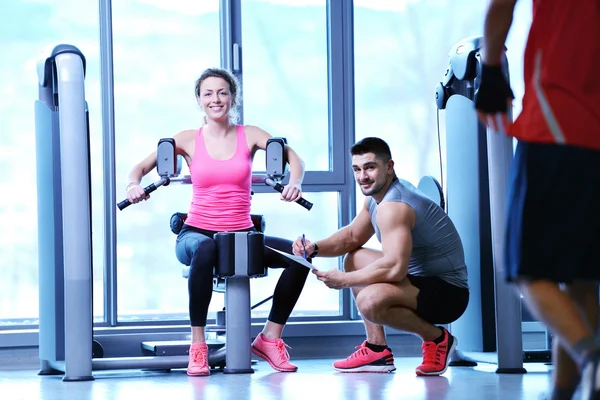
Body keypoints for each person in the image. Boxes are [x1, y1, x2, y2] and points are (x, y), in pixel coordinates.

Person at [126, 67, 310, 376]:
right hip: (196, 234)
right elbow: (139, 169)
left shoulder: (250, 134)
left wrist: (296, 183)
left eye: (223, 92)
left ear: (232, 98)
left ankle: (269, 338)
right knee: (207, 248)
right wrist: (133, 187)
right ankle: (197, 347)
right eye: (208, 93)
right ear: (199, 100)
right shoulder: (186, 139)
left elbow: (296, 160)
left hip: (241, 234)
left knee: (300, 258)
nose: (216, 99)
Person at [474, 1, 600, 399]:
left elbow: (500, 7)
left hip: (555, 125)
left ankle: (593, 355)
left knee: (525, 272)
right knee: (579, 280)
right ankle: (565, 392)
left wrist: (491, 68)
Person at [292, 137, 469, 376]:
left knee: (369, 301)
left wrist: (344, 280)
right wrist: (313, 247)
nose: (362, 176)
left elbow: (394, 268)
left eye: (370, 167)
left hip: (449, 293)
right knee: (354, 258)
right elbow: (352, 236)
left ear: (389, 167)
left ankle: (437, 339)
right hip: (419, 279)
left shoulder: (394, 206)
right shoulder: (378, 197)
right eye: (357, 169)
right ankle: (377, 350)